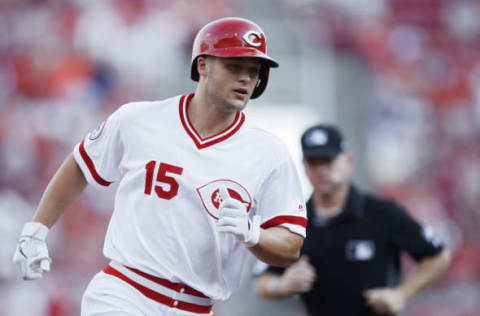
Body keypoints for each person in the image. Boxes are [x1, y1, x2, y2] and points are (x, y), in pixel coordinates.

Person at [12, 17, 308, 316]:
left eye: (254, 71)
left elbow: (290, 244)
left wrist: (254, 235)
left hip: (196, 307)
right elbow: (80, 165)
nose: (246, 78)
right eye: (234, 67)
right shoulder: (138, 120)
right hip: (125, 292)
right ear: (202, 65)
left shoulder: (269, 153)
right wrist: (36, 230)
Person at [254, 124, 451, 316]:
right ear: (304, 167)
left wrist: (401, 294)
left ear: (348, 161)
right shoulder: (292, 221)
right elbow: (261, 281)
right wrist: (281, 285)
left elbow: (438, 257)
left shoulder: (382, 213)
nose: (321, 170)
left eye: (328, 160)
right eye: (314, 162)